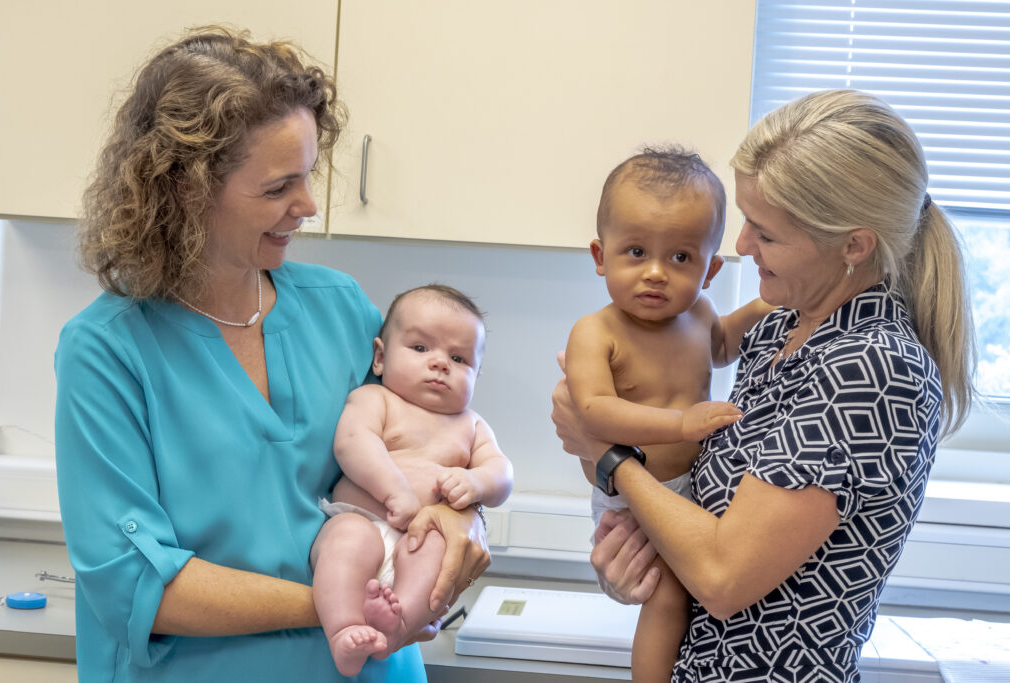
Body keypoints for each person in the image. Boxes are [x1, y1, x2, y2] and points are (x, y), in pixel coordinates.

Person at [54, 27, 489, 682]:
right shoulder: (108, 352)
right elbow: (138, 585)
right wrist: (340, 605)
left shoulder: (341, 310)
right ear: (187, 189)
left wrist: (462, 522)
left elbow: (434, 449)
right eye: (279, 186)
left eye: (309, 175)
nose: (307, 205)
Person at [551, 89, 976, 682]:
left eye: (766, 233)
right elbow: (699, 533)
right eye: (747, 221)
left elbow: (724, 579)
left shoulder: (873, 367)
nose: (743, 244)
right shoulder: (780, 330)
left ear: (854, 245)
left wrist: (607, 455)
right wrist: (631, 568)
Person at [564, 147, 774, 682]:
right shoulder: (597, 331)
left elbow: (723, 345)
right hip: (636, 496)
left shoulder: (700, 314)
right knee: (668, 596)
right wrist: (681, 425)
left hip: (694, 496)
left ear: (710, 271)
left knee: (694, 592)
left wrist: (767, 306)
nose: (656, 273)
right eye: (636, 251)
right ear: (599, 255)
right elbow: (593, 412)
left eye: (681, 258)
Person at [311, 284, 513, 676]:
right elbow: (353, 443)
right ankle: (344, 631)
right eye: (421, 349)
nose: (440, 363)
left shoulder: (471, 425)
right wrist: (395, 490)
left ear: (476, 374)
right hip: (364, 521)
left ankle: (398, 626)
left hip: (420, 540)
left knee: (434, 556)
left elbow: (501, 472)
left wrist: (476, 483)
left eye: (458, 358)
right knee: (345, 541)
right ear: (381, 357)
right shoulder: (376, 399)